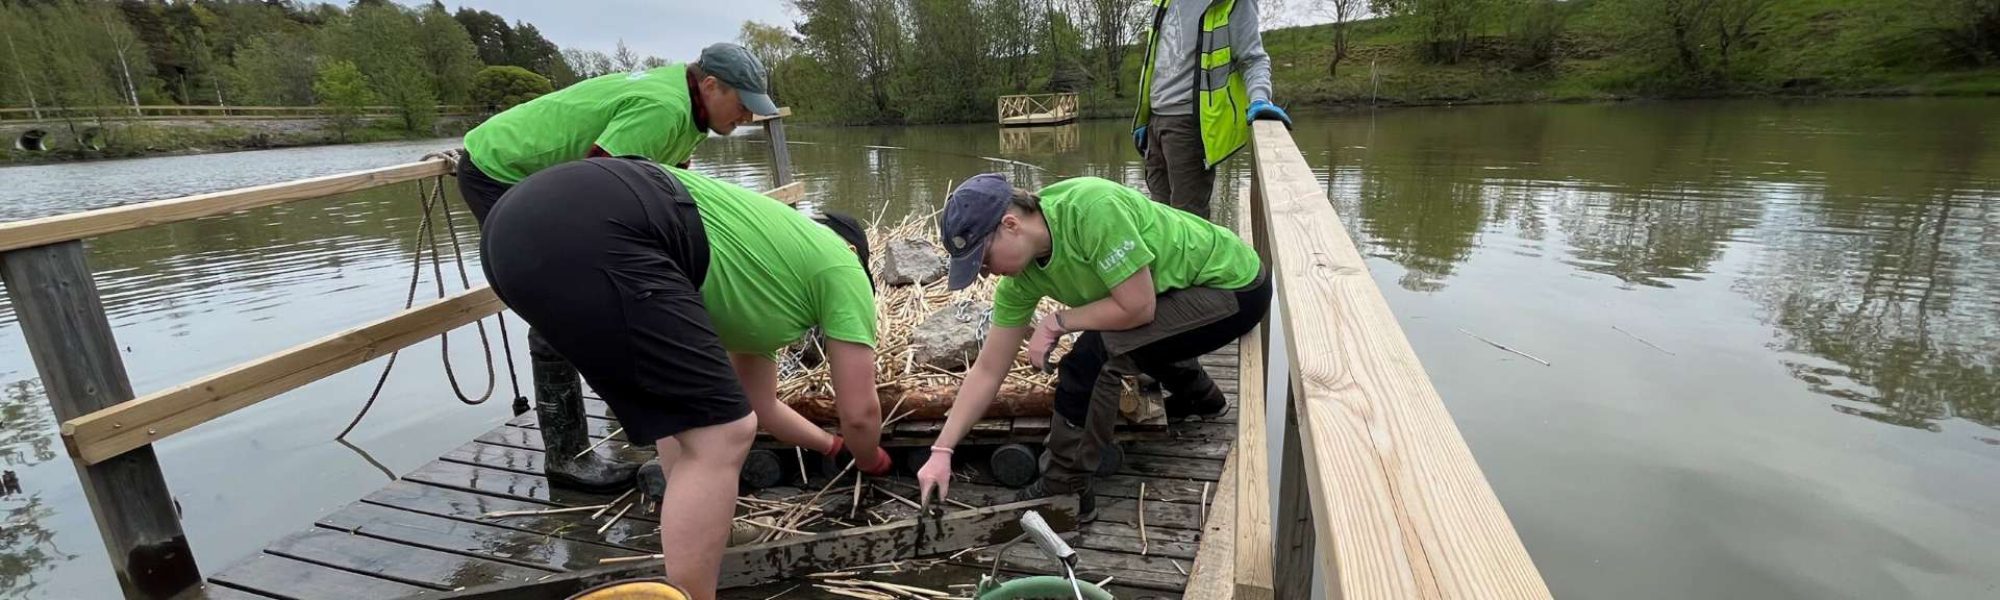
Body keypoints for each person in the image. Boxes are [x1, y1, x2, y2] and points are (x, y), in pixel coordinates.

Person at [481, 158, 893, 600]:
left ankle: (694, 551)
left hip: (510, 232)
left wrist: (830, 446)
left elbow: (761, 403)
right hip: (599, 226)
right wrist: (870, 459)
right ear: (856, 255)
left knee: (688, 420)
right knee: (722, 433)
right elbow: (860, 414)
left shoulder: (768, 274)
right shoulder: (842, 265)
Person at [453, 42, 778, 491]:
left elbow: (664, 191)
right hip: (502, 171)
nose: (747, 118)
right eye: (743, 106)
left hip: (553, 178)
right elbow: (599, 191)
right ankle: (566, 457)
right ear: (710, 85)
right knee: (565, 297)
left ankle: (639, 414)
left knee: (629, 287)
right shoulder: (663, 108)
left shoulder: (693, 114)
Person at [914, 173, 1271, 519]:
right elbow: (989, 370)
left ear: (1010, 224)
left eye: (984, 260)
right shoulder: (1020, 280)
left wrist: (1058, 321)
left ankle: (1065, 486)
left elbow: (1138, 308)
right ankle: (1200, 397)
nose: (986, 273)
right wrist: (942, 450)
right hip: (1181, 293)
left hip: (1235, 289)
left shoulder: (1092, 211)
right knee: (1124, 332)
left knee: (1092, 358)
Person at [1131, 0, 1292, 219]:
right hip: (1155, 122)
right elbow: (1155, 63)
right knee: (1159, 221)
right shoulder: (1163, 1)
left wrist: (1260, 98)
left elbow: (1252, 58)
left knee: (1189, 223)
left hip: (1189, 123)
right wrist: (1143, 118)